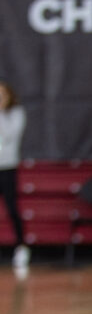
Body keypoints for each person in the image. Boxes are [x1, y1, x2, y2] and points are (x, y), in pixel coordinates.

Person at [0, 81, 29, 269]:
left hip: (7, 167)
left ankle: (21, 246)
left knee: (12, 207)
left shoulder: (16, 114)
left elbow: (9, 136)